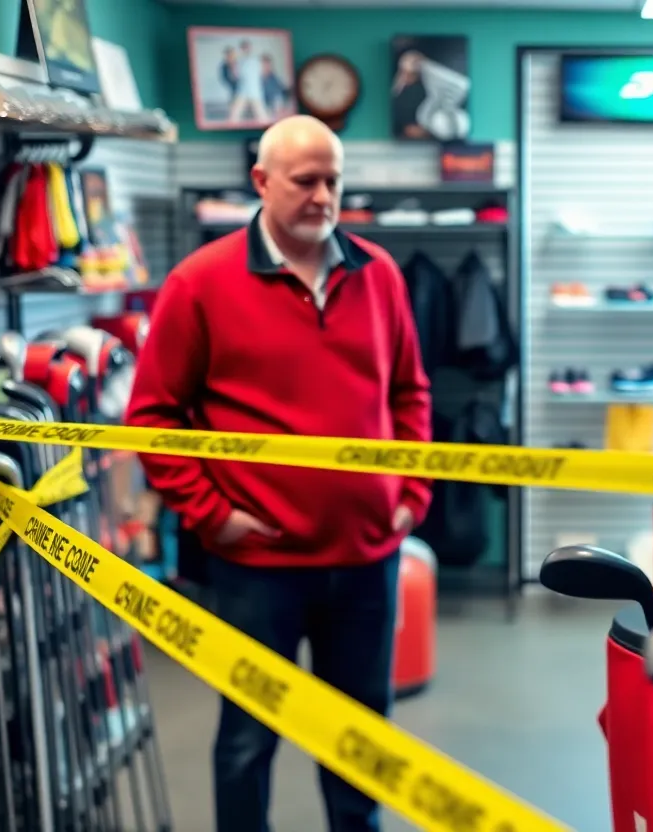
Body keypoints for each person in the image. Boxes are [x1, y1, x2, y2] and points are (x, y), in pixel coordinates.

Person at [125, 115, 431, 832]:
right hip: (255, 566)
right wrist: (213, 513)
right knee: (246, 742)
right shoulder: (199, 282)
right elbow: (151, 417)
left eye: (334, 180)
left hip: (366, 559)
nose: (323, 196)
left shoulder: (379, 275)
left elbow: (410, 392)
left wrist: (411, 495)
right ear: (261, 182)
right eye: (305, 181)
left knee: (362, 741)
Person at [229, 39, 267, 124]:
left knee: (262, 116)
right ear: (241, 49)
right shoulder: (239, 61)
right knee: (234, 115)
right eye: (243, 48)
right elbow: (235, 75)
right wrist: (232, 63)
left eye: (247, 47)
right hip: (243, 91)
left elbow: (263, 74)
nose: (245, 49)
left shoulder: (256, 60)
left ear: (250, 48)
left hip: (255, 91)